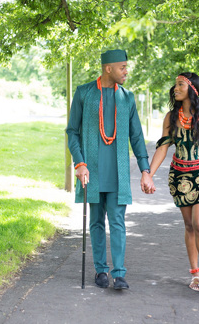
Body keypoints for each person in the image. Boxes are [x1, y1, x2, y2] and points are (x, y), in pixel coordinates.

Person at [66, 49, 154, 290]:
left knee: (117, 220)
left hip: (118, 172)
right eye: (122, 67)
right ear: (108, 68)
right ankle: (100, 271)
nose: (126, 71)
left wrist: (145, 169)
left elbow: (137, 137)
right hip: (91, 170)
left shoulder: (127, 97)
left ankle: (119, 273)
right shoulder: (84, 93)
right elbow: (72, 131)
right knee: (96, 221)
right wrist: (79, 163)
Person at [147, 72, 199, 296]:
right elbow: (163, 148)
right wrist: (149, 174)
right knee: (189, 226)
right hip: (180, 177)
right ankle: (195, 272)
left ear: (192, 88)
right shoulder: (171, 117)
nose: (176, 88)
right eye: (175, 84)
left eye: (180, 84)